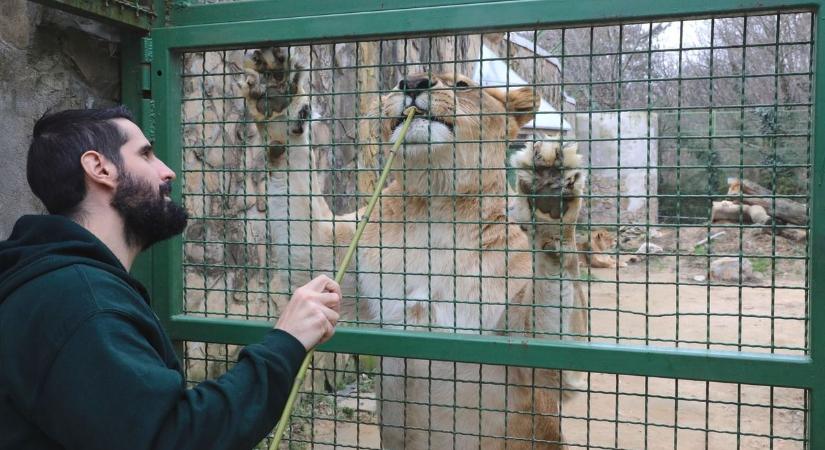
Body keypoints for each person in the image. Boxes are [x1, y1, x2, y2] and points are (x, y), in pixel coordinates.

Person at [0, 106, 342, 450]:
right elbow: (174, 438)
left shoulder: (59, 283)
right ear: (99, 168)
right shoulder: (84, 304)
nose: (169, 171)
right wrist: (287, 341)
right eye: (146, 154)